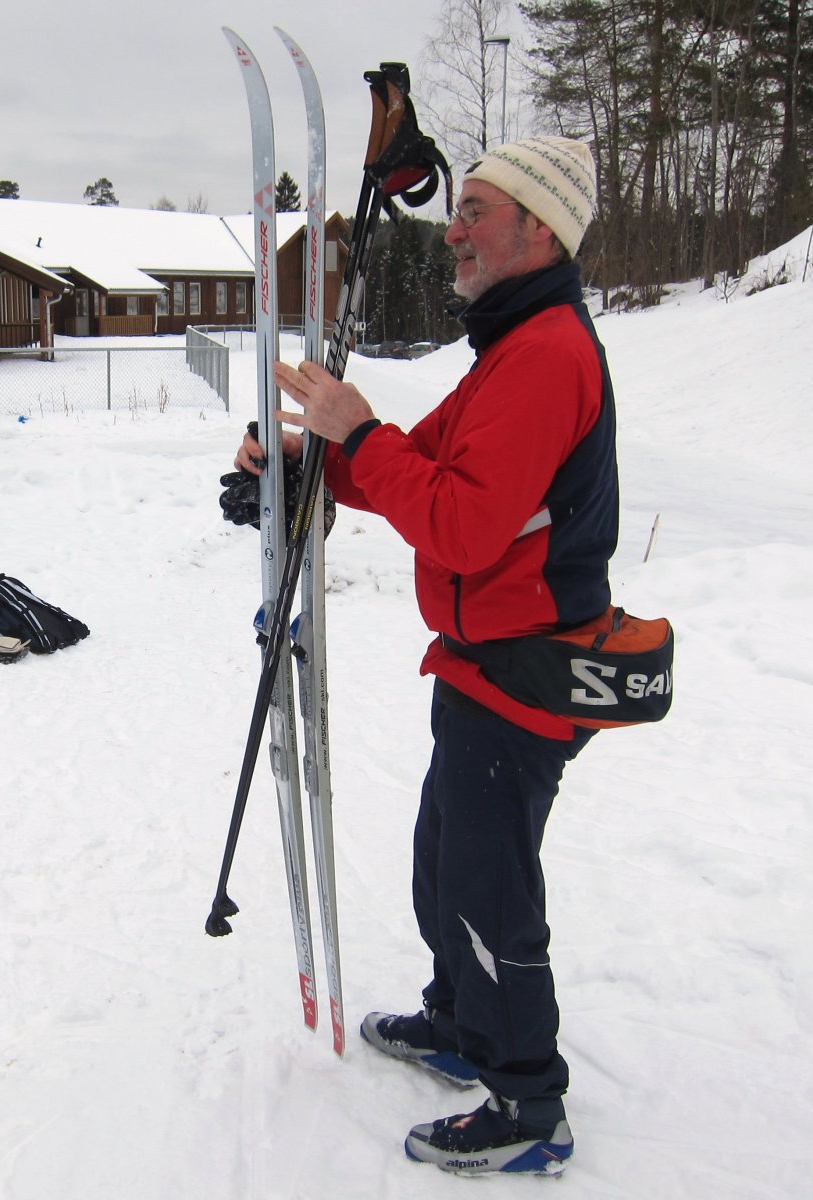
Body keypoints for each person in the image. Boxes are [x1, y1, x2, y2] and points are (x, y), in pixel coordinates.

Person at [233, 136, 613, 1177]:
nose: (453, 229)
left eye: (477, 210)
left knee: (488, 891)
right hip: (481, 664)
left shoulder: (547, 357)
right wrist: (315, 453)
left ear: (540, 230)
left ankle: (528, 1105)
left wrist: (357, 436)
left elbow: (462, 529)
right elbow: (413, 466)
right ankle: (459, 1022)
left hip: (526, 671)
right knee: (444, 862)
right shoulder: (512, 349)